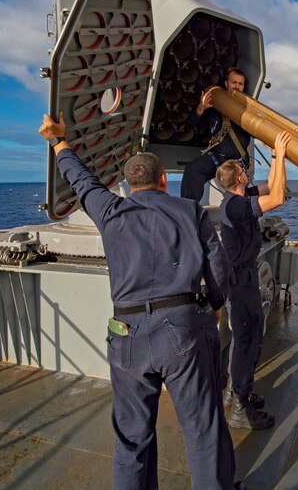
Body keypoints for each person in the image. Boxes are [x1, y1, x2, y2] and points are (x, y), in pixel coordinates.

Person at [38, 114, 239, 490]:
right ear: (164, 180)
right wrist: (215, 303)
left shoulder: (110, 210)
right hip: (183, 328)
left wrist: (57, 141)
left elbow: (81, 181)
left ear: (128, 187)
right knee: (203, 428)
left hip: (127, 333)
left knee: (132, 439)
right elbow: (217, 265)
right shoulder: (190, 211)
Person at [214, 131, 291, 430]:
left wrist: (274, 155)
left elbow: (272, 185)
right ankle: (241, 411)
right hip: (239, 283)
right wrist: (282, 156)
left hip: (243, 279)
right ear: (240, 178)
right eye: (244, 170)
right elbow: (279, 197)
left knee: (249, 336)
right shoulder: (234, 206)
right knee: (246, 340)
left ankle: (236, 392)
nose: (248, 173)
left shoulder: (239, 197)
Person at [181, 67, 255, 202]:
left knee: (237, 197)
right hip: (216, 158)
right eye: (234, 83)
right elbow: (193, 122)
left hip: (236, 162)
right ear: (226, 84)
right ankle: (189, 211)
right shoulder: (216, 106)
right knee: (193, 171)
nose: (237, 87)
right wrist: (201, 108)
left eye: (240, 84)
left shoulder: (248, 108)